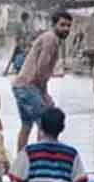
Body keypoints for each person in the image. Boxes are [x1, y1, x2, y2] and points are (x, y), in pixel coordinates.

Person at [12, 10, 72, 151]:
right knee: (45, 126)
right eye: (62, 25)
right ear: (54, 25)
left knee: (26, 125)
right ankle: (42, 159)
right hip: (29, 87)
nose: (66, 29)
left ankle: (21, 162)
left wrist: (44, 92)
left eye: (69, 26)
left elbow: (41, 71)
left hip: (20, 86)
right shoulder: (51, 39)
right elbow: (42, 68)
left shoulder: (48, 38)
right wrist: (44, 94)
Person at [3, 12, 31, 76]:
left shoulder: (25, 25)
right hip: (19, 43)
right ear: (25, 18)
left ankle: (18, 68)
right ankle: (11, 69)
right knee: (15, 56)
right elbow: (18, 34)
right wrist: (19, 41)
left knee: (20, 55)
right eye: (27, 19)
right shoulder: (20, 25)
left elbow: (26, 34)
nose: (28, 20)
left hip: (23, 43)